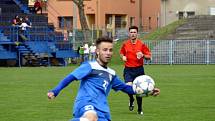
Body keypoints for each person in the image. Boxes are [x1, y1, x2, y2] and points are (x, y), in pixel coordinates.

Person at [47, 36, 160, 121]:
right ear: (97, 51)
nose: (108, 53)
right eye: (104, 50)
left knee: (95, 117)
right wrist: (55, 91)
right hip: (86, 104)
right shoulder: (89, 66)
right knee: (91, 117)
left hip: (103, 110)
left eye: (110, 50)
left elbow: (127, 89)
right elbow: (70, 78)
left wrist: (148, 91)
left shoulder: (111, 74)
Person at [120, 26, 155, 115]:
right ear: (129, 34)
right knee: (129, 87)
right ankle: (131, 99)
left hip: (139, 70)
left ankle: (139, 109)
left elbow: (149, 57)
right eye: (131, 32)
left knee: (139, 90)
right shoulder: (125, 44)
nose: (133, 34)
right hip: (128, 69)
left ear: (137, 34)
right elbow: (121, 53)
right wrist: (123, 57)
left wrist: (142, 55)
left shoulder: (141, 44)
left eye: (134, 32)